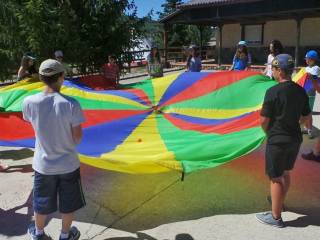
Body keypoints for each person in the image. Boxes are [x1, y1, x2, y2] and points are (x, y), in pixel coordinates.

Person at [23, 59, 86, 240]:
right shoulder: (71, 104)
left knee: (41, 202)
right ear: (61, 77)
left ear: (41, 78)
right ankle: (65, 235)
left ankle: (39, 234)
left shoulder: (29, 102)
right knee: (68, 203)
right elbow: (77, 137)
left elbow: (32, 122)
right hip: (68, 164)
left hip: (43, 165)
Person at [255, 54, 312, 228]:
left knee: (275, 177)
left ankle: (276, 217)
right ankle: (279, 203)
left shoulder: (272, 92)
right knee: (285, 172)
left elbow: (263, 120)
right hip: (294, 138)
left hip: (277, 139)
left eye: (273, 68)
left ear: (279, 70)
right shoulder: (300, 90)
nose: (272, 71)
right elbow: (307, 117)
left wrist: (268, 133)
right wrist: (295, 122)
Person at [301, 51, 320, 162]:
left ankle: (310, 130)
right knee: (305, 112)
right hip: (305, 93)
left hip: (311, 94)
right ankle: (307, 128)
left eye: (307, 58)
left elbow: (313, 78)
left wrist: (308, 75)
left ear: (312, 59)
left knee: (309, 113)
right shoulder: (307, 68)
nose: (306, 60)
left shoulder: (316, 68)